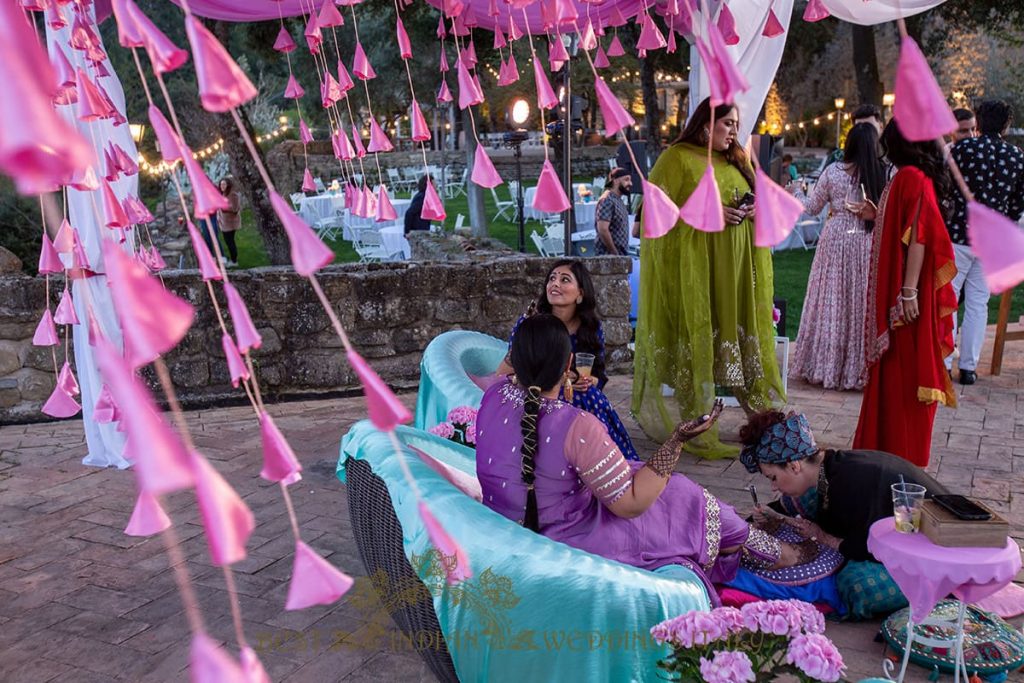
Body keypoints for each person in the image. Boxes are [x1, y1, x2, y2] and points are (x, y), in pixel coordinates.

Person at [477, 315, 815, 601]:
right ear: (568, 365)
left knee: (648, 478)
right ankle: (779, 554)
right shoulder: (576, 426)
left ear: (514, 359)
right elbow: (630, 504)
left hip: (516, 524)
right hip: (571, 537)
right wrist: (677, 441)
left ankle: (738, 546)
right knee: (685, 496)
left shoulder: (493, 396)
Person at [633, 97, 785, 459]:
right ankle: (699, 426)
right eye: (728, 123)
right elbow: (649, 220)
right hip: (697, 276)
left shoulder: (737, 160)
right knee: (701, 344)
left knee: (743, 344)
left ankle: (763, 424)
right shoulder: (677, 159)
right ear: (705, 125)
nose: (735, 131)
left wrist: (750, 212)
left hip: (736, 275)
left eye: (736, 124)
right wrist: (707, 214)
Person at [740, 410, 948, 618]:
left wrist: (823, 537)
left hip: (938, 549)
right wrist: (768, 515)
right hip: (900, 531)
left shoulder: (848, 483)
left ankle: (942, 586)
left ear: (794, 466)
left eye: (773, 477)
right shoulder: (827, 468)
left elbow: (867, 547)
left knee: (855, 584)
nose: (773, 487)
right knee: (801, 500)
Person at [853, 120, 958, 467]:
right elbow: (912, 230)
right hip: (906, 298)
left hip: (906, 299)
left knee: (906, 376)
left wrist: (908, 292)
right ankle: (896, 452)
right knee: (902, 375)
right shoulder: (909, 176)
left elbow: (920, 237)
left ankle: (900, 453)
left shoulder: (909, 176)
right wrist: (878, 213)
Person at [497, 260, 640, 460]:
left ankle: (606, 461)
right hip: (539, 392)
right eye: (552, 279)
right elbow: (513, 368)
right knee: (573, 399)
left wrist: (589, 380)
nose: (555, 284)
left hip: (577, 393)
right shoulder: (532, 323)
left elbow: (598, 374)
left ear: (580, 294)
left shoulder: (589, 327)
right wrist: (560, 376)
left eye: (565, 280)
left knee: (591, 395)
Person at [791, 123, 887, 390]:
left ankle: (827, 366)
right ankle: (860, 368)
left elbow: (811, 208)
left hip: (836, 238)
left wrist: (796, 190)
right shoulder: (881, 173)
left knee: (832, 300)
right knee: (861, 303)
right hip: (866, 239)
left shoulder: (833, 172)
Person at [944, 100, 1024, 385]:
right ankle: (969, 367)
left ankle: (943, 361)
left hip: (959, 234)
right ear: (1005, 125)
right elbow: (1018, 203)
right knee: (978, 303)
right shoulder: (1016, 156)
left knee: (949, 299)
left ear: (977, 122)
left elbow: (944, 187)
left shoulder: (960, 150)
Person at [594, 168, 632, 256]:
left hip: (620, 254)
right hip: (608, 256)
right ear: (615, 181)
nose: (630, 183)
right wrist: (614, 252)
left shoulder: (618, 200)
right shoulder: (607, 200)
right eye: (626, 180)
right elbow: (602, 229)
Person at [217, 177, 242, 267]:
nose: (222, 186)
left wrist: (224, 208)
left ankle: (234, 261)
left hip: (230, 223)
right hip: (224, 222)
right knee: (229, 241)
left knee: (230, 242)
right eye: (221, 184)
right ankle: (233, 259)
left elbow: (235, 209)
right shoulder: (223, 194)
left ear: (228, 185)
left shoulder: (233, 195)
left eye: (224, 184)